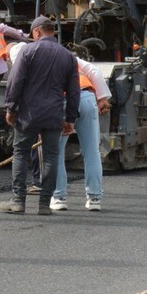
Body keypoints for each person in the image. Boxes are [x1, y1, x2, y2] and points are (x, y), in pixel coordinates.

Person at [0, 15, 79, 215]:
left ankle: (18, 201)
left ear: (37, 32)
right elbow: (74, 90)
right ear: (53, 31)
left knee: (20, 153)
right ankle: (44, 204)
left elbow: (15, 82)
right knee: (51, 157)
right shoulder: (68, 56)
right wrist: (70, 118)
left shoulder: (28, 51)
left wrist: (10, 108)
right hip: (53, 115)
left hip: (28, 114)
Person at [50, 57, 112, 212]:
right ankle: (94, 199)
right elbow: (94, 71)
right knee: (92, 151)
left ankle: (59, 198)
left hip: (61, 100)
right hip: (86, 97)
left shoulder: (39, 57)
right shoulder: (70, 57)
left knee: (55, 152)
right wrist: (102, 97)